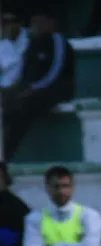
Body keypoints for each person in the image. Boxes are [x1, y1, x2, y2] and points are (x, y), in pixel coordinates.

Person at [1, 8, 74, 161]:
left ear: (50, 23)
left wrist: (32, 89)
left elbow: (54, 72)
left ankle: (6, 156)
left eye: (39, 21)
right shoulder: (34, 43)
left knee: (24, 107)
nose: (35, 25)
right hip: (31, 91)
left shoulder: (58, 40)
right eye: (33, 22)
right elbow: (24, 73)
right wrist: (17, 89)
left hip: (54, 90)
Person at [0, 11, 28, 90]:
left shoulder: (29, 39)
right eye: (3, 22)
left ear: (20, 23)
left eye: (9, 22)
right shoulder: (4, 40)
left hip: (13, 88)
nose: (5, 26)